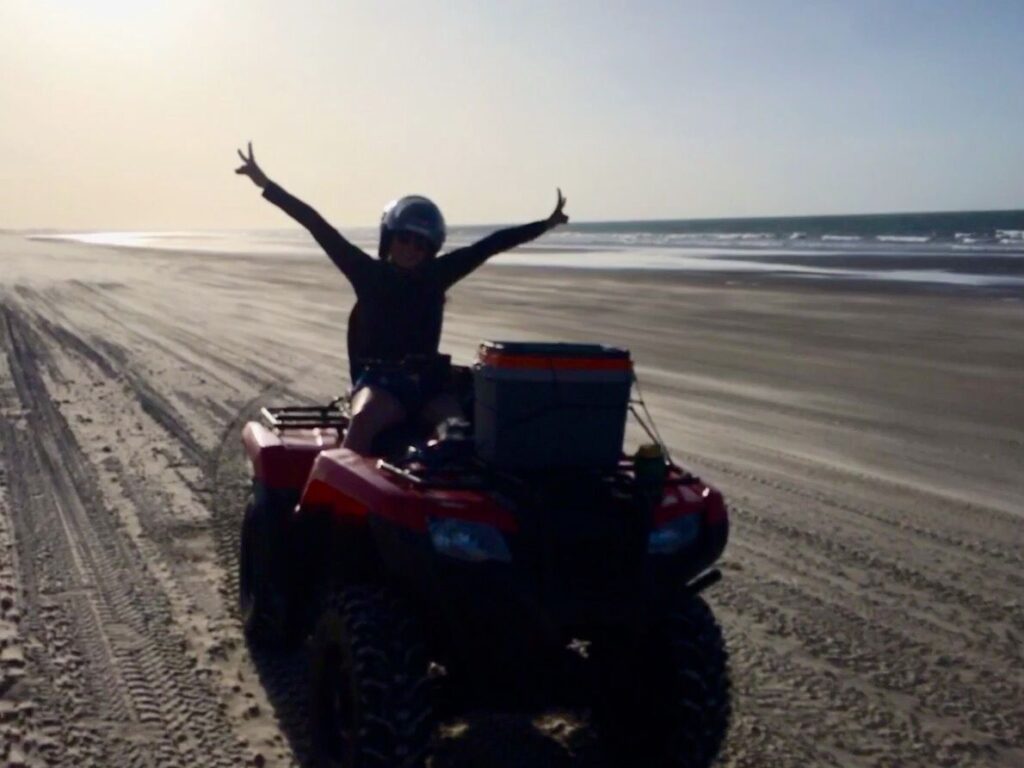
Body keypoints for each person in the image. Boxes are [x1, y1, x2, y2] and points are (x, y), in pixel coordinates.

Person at [234, 142, 569, 454]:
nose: (411, 249)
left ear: (431, 249)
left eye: (421, 244)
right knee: (362, 424)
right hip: (381, 385)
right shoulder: (367, 272)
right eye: (404, 239)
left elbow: (490, 245)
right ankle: (326, 492)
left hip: (429, 386)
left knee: (457, 432)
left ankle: (445, 492)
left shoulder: (438, 274)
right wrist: (265, 183)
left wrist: (547, 223)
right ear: (389, 239)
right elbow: (317, 225)